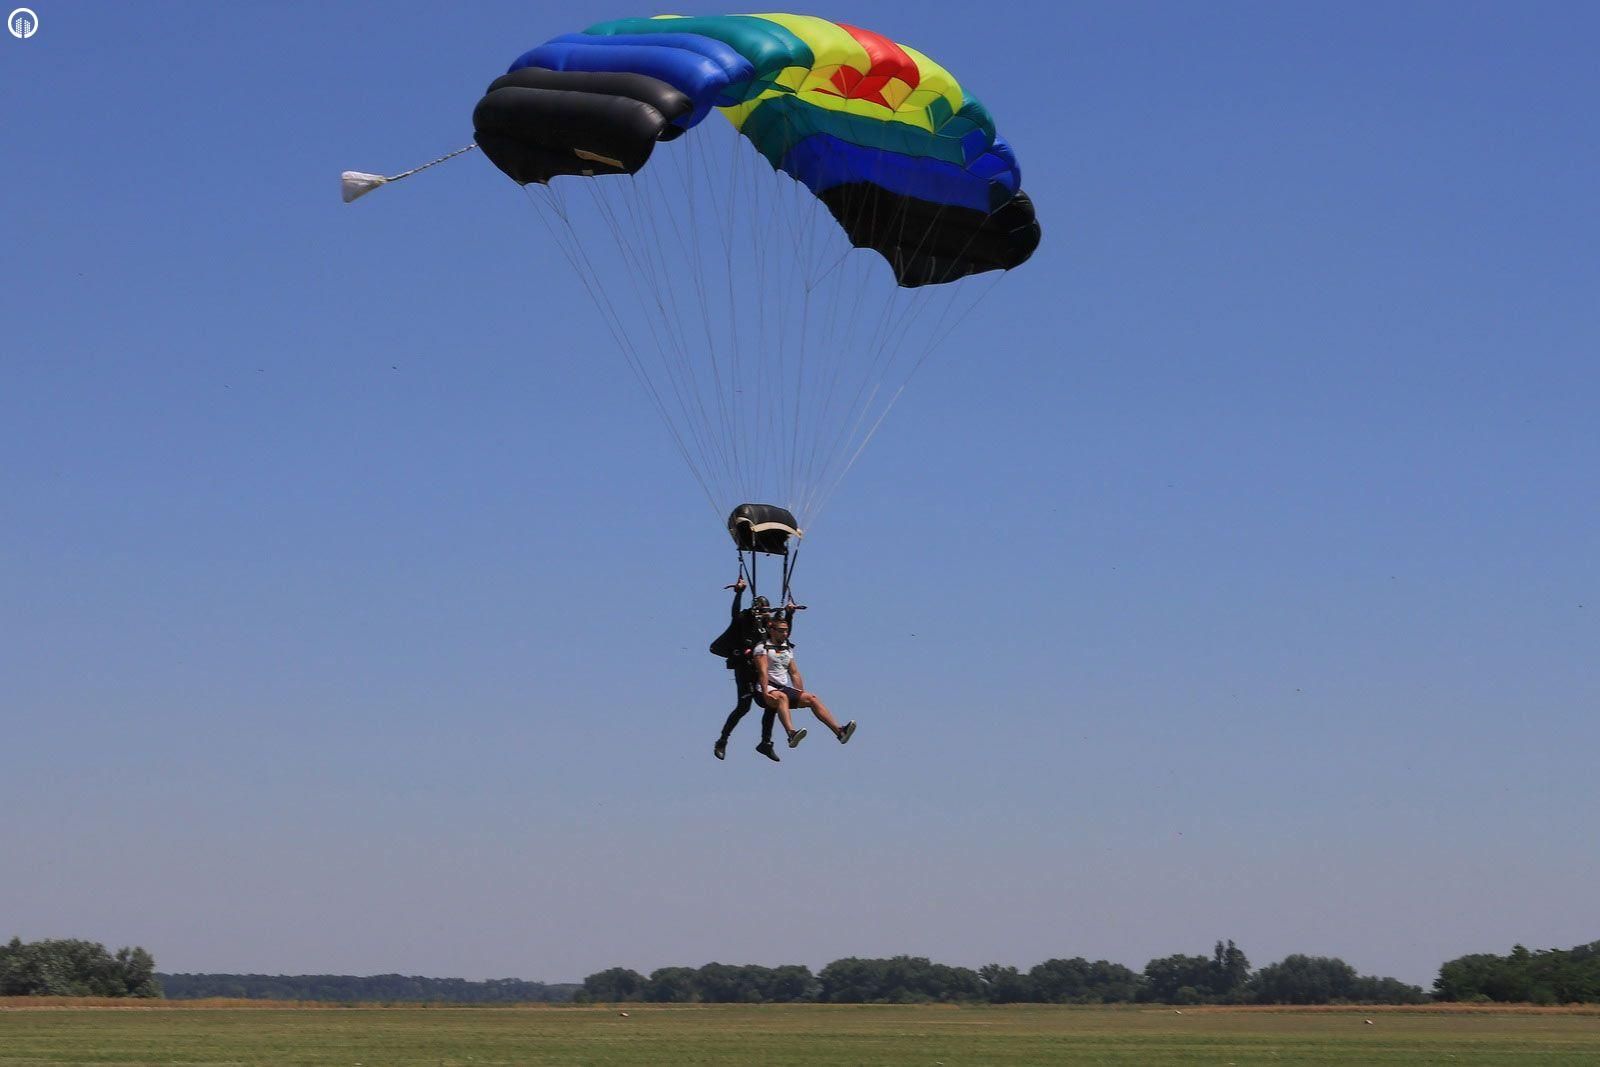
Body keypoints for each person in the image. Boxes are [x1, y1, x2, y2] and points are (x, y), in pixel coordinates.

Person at [753, 616, 856, 750]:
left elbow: (794, 672)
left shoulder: (786, 648)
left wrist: (799, 693)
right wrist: (765, 693)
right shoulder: (762, 648)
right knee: (782, 698)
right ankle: (791, 734)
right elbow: (763, 672)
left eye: (786, 630)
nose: (785, 634)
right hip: (764, 689)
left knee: (812, 698)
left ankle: (840, 732)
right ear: (772, 630)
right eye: (781, 630)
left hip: (782, 688)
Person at [712, 577, 782, 761]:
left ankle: (765, 743)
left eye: (767, 612)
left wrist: (789, 614)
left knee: (772, 702)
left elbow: (783, 632)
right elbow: (735, 616)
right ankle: (722, 740)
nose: (765, 615)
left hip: (761, 672)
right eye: (762, 611)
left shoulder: (768, 626)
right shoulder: (745, 619)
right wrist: (739, 594)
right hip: (745, 669)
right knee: (744, 707)